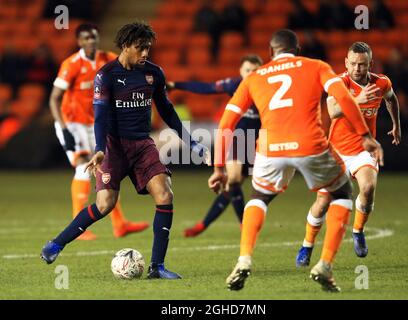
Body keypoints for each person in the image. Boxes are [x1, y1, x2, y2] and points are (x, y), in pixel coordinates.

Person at [208, 29, 384, 292]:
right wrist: (365, 135)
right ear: (298, 50)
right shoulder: (315, 66)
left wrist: (219, 167)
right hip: (309, 143)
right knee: (344, 194)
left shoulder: (255, 76)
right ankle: (324, 264)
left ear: (270, 53)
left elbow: (226, 123)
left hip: (270, 149)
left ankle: (244, 258)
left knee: (258, 197)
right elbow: (344, 99)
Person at [41, 22, 209, 279]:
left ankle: (157, 267)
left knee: (165, 195)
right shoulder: (106, 75)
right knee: (104, 204)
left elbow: (167, 111)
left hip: (142, 145)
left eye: (148, 49)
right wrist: (99, 149)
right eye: (141, 48)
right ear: (126, 46)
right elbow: (100, 117)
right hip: (113, 145)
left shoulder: (154, 73)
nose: (145, 54)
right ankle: (57, 243)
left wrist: (192, 142)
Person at [295, 42, 401, 266]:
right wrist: (357, 100)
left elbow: (391, 99)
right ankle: (307, 245)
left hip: (363, 149)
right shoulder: (339, 83)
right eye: (353, 64)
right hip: (337, 151)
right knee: (323, 202)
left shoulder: (381, 83)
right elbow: (333, 111)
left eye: (362, 65)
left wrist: (396, 124)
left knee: (368, 187)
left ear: (370, 64)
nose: (357, 69)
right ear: (346, 63)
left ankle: (358, 231)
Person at [49, 23, 149, 240]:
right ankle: (77, 225)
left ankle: (120, 224)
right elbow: (54, 98)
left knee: (107, 169)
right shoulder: (72, 64)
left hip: (95, 123)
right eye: (86, 38)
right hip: (72, 123)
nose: (91, 42)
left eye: (94, 37)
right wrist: (65, 130)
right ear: (79, 42)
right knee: (83, 165)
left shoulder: (108, 59)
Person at [167, 54, 263, 237]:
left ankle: (203, 225)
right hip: (238, 137)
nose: (251, 73)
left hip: (258, 141)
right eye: (248, 70)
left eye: (255, 70)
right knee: (233, 179)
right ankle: (245, 225)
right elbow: (207, 88)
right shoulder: (235, 85)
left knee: (230, 188)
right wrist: (176, 85)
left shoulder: (267, 87)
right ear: (241, 71)